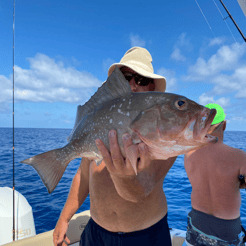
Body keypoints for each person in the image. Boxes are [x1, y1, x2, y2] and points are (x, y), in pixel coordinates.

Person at [53, 47, 177, 246]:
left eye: (142, 80)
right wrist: (64, 218)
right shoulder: (99, 124)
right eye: (125, 77)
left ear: (151, 87)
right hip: (96, 233)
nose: (133, 85)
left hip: (146, 236)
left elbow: (141, 191)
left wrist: (123, 175)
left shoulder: (162, 134)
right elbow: (84, 176)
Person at [183, 103, 246, 246]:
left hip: (196, 224)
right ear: (224, 125)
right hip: (227, 231)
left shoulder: (188, 154)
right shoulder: (239, 157)